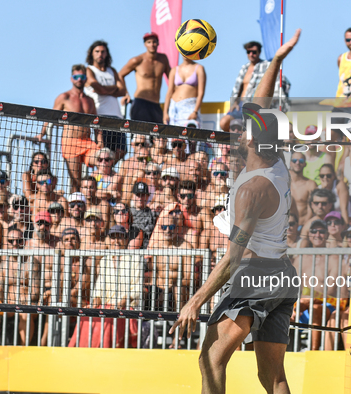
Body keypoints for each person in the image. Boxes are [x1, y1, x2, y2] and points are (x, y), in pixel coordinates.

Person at [170, 29, 301, 394]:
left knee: (210, 358)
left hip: (256, 276)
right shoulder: (275, 166)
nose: (241, 131)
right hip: (282, 276)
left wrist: (196, 300)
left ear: (253, 139)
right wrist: (275, 60)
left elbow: (233, 257)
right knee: (272, 378)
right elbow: (261, 100)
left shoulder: (254, 188)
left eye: (247, 129)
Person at [69, 225, 142, 348]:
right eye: (113, 237)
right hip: (106, 305)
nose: (116, 241)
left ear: (126, 240)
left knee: (109, 319)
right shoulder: (104, 260)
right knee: (85, 314)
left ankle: (106, 353)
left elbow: (138, 289)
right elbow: (99, 287)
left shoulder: (135, 259)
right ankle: (83, 354)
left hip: (127, 307)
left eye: (120, 237)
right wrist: (96, 300)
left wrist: (123, 301)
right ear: (108, 240)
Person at [37, 66, 99, 193]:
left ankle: (100, 187)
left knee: (102, 159)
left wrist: (100, 141)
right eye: (76, 77)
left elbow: (96, 124)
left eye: (82, 77)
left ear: (86, 79)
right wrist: (41, 134)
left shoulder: (90, 101)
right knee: (76, 182)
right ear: (71, 79)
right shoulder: (65, 97)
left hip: (87, 142)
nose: (79, 80)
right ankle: (75, 207)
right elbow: (51, 116)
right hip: (70, 141)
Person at [293, 220, 346, 350]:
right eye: (313, 231)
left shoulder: (334, 258)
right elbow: (291, 288)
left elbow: (332, 290)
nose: (317, 234)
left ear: (327, 235)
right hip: (300, 307)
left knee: (315, 308)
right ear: (309, 234)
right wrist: (291, 305)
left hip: (326, 305)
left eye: (321, 231)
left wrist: (309, 300)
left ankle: (314, 351)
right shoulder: (300, 258)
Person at [220, 40, 290, 132]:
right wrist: (234, 102)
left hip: (255, 107)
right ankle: (235, 144)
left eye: (254, 52)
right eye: (248, 52)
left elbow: (283, 82)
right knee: (224, 123)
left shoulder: (266, 66)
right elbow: (237, 87)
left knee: (252, 132)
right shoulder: (244, 68)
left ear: (259, 52)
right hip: (240, 106)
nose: (251, 54)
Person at [0, 228, 40, 346]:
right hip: (8, 305)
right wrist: (5, 302)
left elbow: (35, 292)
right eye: (11, 241)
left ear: (24, 242)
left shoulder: (31, 262)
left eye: (18, 240)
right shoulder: (3, 264)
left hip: (27, 305)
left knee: (25, 313)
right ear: (7, 243)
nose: (15, 244)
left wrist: (20, 302)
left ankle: (22, 349)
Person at [84, 41, 127, 161]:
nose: (100, 54)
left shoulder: (112, 70)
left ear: (107, 54)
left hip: (117, 116)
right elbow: (99, 88)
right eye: (97, 51)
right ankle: (102, 172)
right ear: (91, 54)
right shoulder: (89, 70)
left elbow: (122, 91)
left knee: (122, 150)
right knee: (102, 151)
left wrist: (103, 90)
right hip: (100, 116)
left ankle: (107, 171)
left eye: (103, 51)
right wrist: (112, 89)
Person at [119, 32, 171, 125]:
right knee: (140, 137)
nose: (152, 44)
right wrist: (125, 93)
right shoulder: (137, 60)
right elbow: (120, 75)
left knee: (159, 138)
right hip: (140, 103)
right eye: (149, 42)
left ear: (158, 43)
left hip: (156, 104)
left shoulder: (163, 59)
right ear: (145, 44)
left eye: (154, 42)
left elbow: (172, 79)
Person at [164, 55, 207, 127]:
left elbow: (201, 93)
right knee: (175, 136)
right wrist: (165, 112)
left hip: (190, 107)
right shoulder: (174, 70)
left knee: (191, 135)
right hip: (175, 108)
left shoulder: (199, 68)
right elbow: (169, 92)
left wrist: (195, 111)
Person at [289, 152, 317, 226]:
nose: (298, 163)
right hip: (284, 227)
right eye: (295, 160)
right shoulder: (283, 182)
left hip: (302, 225)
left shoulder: (310, 184)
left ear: (305, 164)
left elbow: (311, 208)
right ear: (290, 163)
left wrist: (303, 226)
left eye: (301, 161)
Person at [130, 181, 158, 249]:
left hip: (148, 251)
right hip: (130, 251)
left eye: (142, 195)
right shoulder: (127, 213)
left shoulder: (153, 214)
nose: (140, 198)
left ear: (148, 196)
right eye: (137, 195)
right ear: (133, 196)